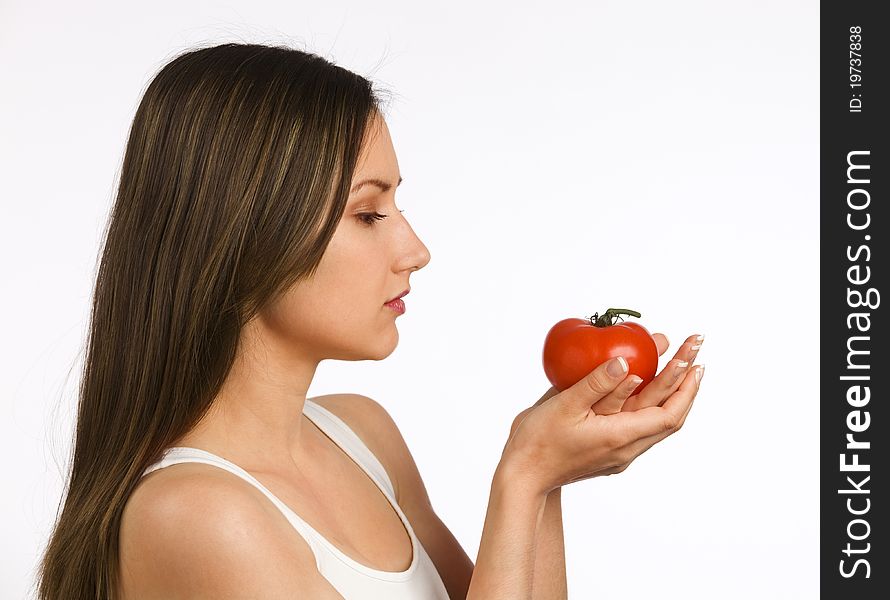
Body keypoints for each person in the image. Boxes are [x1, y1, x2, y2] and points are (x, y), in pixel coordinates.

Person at [35, 42, 704, 600]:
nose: (415, 251)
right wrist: (522, 474)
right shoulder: (198, 515)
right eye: (368, 214)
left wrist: (547, 478)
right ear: (245, 235)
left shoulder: (363, 433)